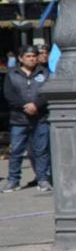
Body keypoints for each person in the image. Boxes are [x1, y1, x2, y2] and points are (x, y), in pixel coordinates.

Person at [3, 46, 52, 193]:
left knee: (41, 150)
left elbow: (47, 92)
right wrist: (25, 105)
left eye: (34, 56)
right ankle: (13, 180)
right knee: (16, 150)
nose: (31, 59)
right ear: (20, 58)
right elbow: (9, 94)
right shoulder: (12, 74)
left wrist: (36, 105)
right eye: (28, 56)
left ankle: (42, 179)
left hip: (40, 117)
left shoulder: (45, 72)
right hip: (19, 118)